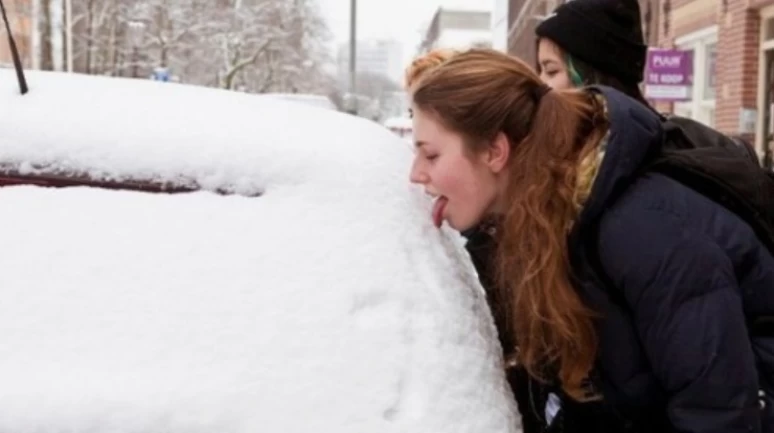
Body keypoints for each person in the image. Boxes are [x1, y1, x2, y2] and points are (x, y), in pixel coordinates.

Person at [409, 48, 774, 433]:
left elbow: (719, 410)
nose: (415, 174)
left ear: (495, 152)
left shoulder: (642, 228)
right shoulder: (528, 226)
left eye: (430, 155)